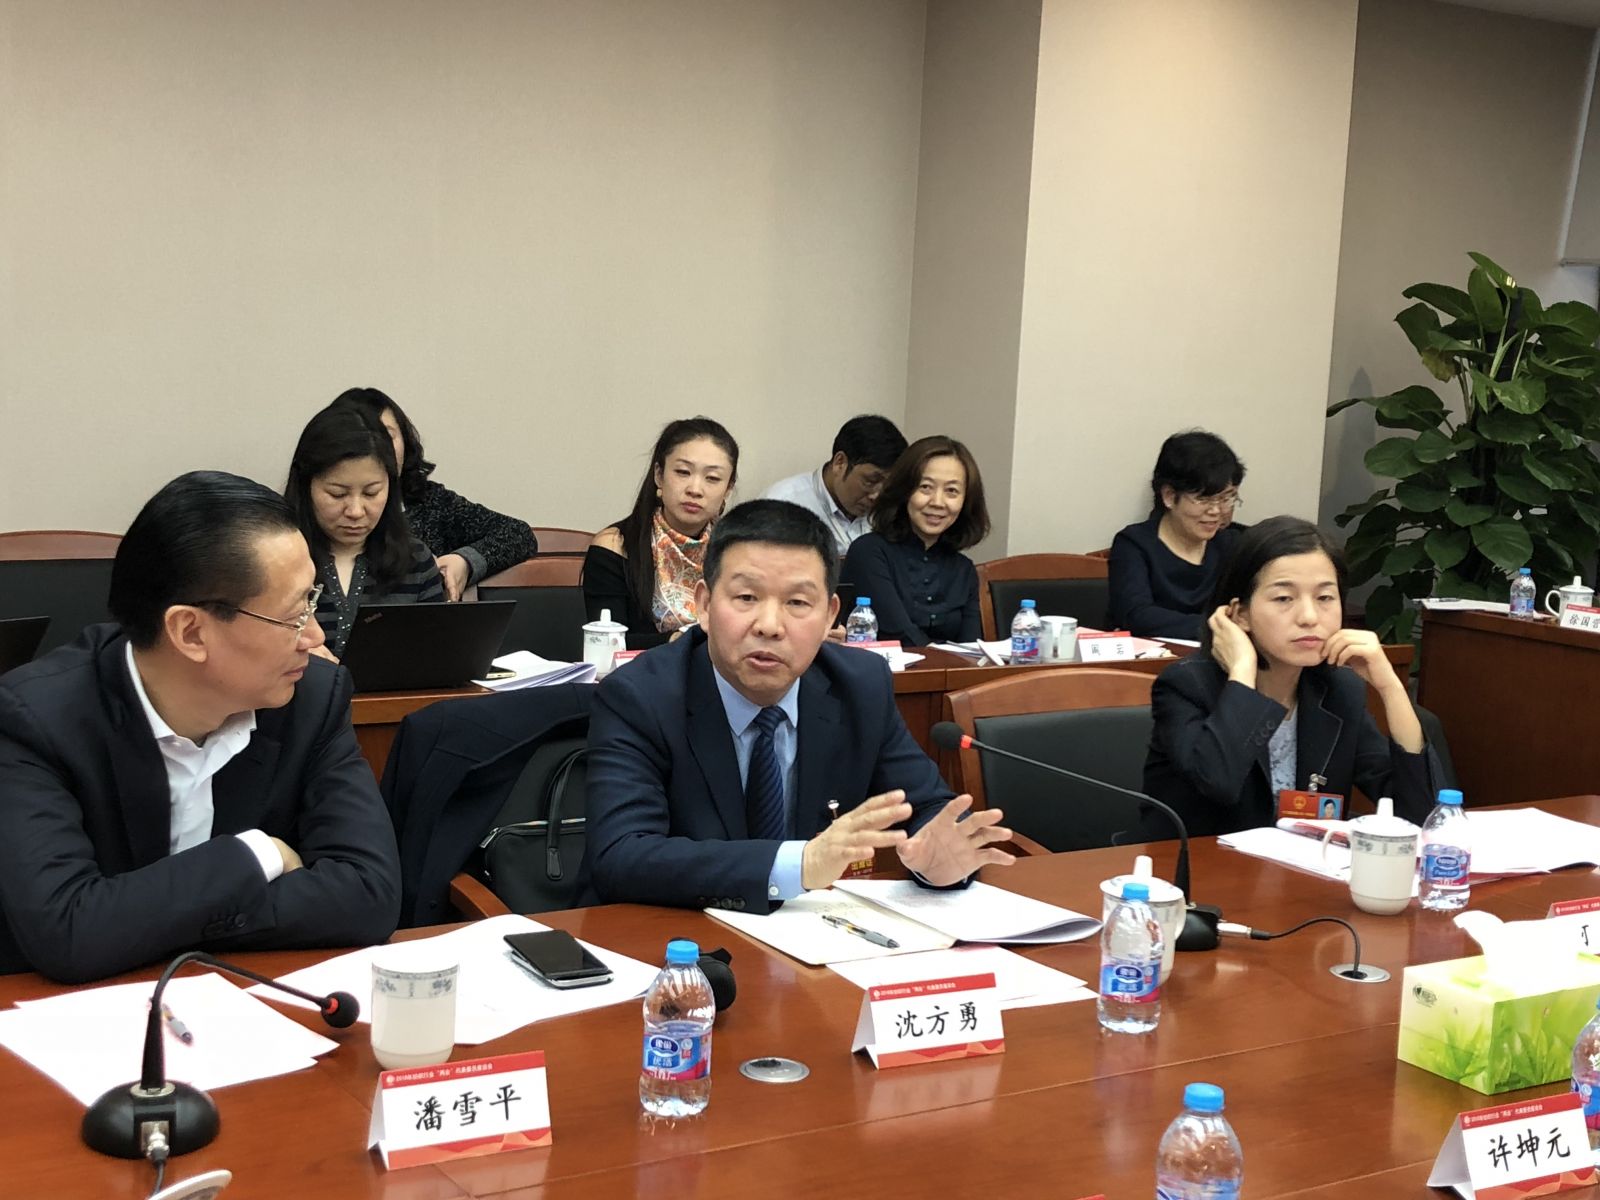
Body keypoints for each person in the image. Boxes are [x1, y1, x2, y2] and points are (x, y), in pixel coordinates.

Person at [0, 472, 401, 982]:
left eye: (312, 602)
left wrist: (141, 922)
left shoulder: (312, 699)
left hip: (236, 999)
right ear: (190, 632)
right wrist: (257, 854)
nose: (315, 637)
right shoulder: (35, 720)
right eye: (293, 616)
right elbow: (68, 931)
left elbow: (369, 893)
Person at [582, 499, 1014, 911]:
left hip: (820, 940)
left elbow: (928, 810)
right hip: (683, 940)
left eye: (797, 603)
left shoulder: (859, 686)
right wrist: (799, 865)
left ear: (829, 617)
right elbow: (621, 854)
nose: (770, 626)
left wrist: (937, 865)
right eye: (746, 598)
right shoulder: (640, 696)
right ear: (704, 605)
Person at [1143, 515, 1440, 839]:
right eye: (1284, 598)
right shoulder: (1187, 686)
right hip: (1200, 867)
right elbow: (1218, 783)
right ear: (1239, 614)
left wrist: (1391, 687)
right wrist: (1243, 671)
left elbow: (1421, 814)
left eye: (1325, 598)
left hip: (1303, 867)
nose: (1309, 617)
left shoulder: (1338, 690)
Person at [331, 387, 538, 600]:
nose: (377, 448)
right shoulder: (327, 517)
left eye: (387, 435)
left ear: (405, 440)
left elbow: (517, 534)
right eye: (338, 494)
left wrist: (465, 561)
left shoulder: (429, 501)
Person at [285, 405, 445, 657]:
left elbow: (437, 654)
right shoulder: (276, 560)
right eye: (337, 494)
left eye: (371, 493)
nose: (356, 511)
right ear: (306, 486)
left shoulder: (415, 560)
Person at [583, 417, 739, 651]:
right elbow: (607, 645)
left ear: (728, 488)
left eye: (713, 478)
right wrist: (681, 641)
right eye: (683, 472)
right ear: (659, 475)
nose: (695, 489)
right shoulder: (615, 546)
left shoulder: (736, 551)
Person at [841, 435, 988, 646]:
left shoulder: (964, 569)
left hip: (951, 668)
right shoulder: (868, 552)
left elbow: (971, 648)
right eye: (925, 487)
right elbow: (901, 635)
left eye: (951, 491)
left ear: (966, 501)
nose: (938, 502)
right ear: (904, 490)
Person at [1108, 430, 1247, 640]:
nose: (1216, 510)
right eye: (1204, 499)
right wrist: (1220, 626)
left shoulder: (1234, 544)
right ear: (1169, 496)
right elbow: (1137, 617)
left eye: (1226, 498)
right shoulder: (1134, 545)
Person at [762, 414, 907, 556]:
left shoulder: (890, 507)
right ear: (840, 463)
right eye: (870, 481)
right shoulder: (783, 504)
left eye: (887, 485)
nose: (876, 496)